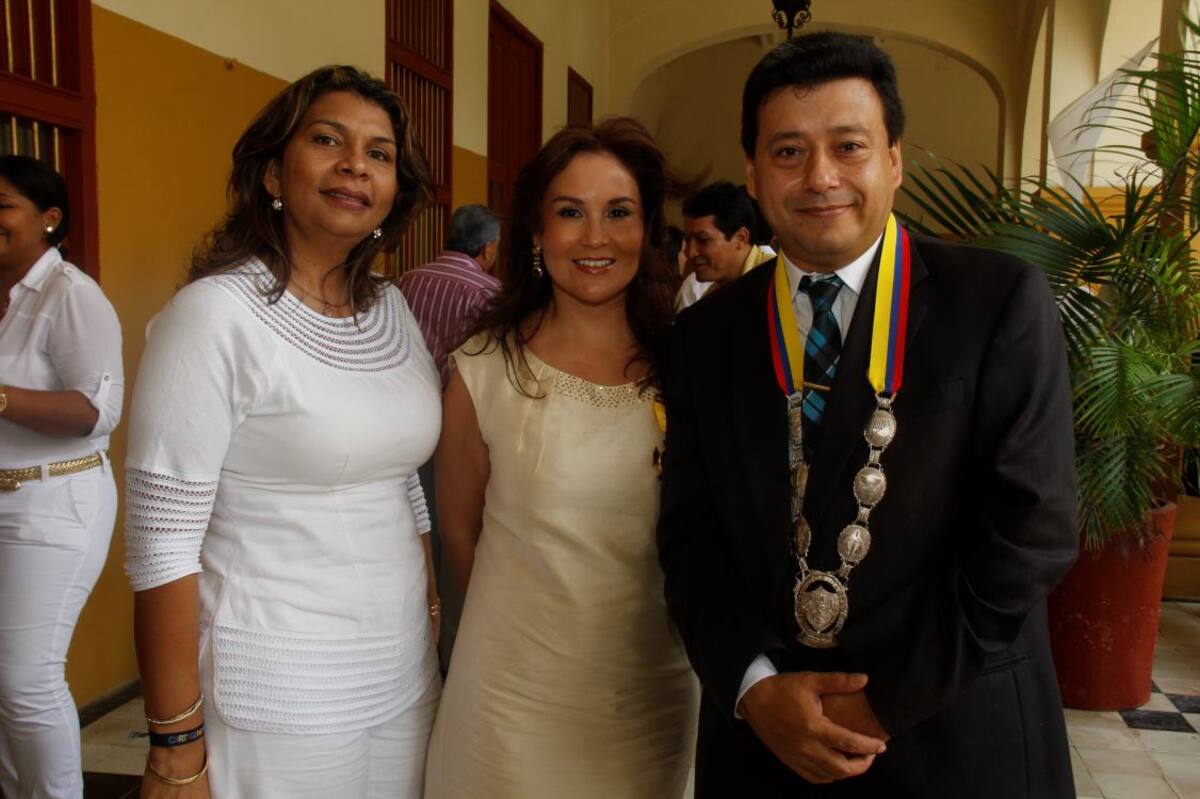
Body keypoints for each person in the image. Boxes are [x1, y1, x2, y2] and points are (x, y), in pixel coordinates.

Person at [657, 33, 1077, 798]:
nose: (820, 176)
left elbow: (1031, 533)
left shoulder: (995, 303)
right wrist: (753, 684)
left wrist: (880, 701)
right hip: (765, 746)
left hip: (953, 737)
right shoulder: (706, 335)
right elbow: (689, 536)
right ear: (753, 171)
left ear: (894, 160)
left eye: (848, 146)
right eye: (788, 152)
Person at [124, 66, 442, 798]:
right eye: (327, 140)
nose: (355, 165)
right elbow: (160, 545)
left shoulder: (391, 308)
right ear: (273, 171)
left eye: (379, 153)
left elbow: (401, 477)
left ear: (394, 191)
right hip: (278, 688)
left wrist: (428, 610)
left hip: (402, 672)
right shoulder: (214, 317)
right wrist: (175, 743)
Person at [424, 118, 698, 798]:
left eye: (619, 212)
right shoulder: (485, 368)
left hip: (652, 707)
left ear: (647, 230)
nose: (596, 237)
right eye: (571, 212)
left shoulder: (689, 368)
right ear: (536, 232)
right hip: (511, 708)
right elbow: (460, 533)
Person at [0, 156, 123, 799]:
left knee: (26, 679)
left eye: (2, 207)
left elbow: (95, 412)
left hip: (53, 500)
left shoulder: (70, 294)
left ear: (49, 218)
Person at [399, 203, 502, 385]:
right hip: (455, 393)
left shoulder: (408, 279)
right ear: (488, 249)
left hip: (408, 385)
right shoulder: (489, 290)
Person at [675, 180, 773, 311]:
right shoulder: (709, 300)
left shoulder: (776, 284)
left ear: (740, 238)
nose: (691, 253)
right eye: (687, 240)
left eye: (702, 240)